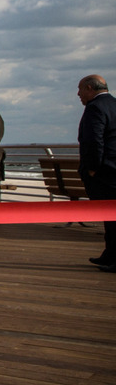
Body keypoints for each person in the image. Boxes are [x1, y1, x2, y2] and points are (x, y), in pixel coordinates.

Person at [77, 75, 116, 271]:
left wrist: (92, 168)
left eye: (80, 89)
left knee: (111, 217)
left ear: (90, 88)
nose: (78, 94)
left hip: (105, 171)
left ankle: (114, 258)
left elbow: (94, 140)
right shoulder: (113, 104)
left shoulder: (95, 108)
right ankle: (109, 254)